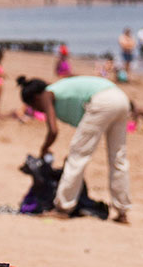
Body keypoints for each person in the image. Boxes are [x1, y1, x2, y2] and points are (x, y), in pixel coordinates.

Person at [21, 74, 135, 224]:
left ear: (35, 99)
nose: (39, 111)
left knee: (77, 156)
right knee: (118, 158)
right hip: (120, 98)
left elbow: (53, 131)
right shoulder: (60, 90)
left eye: (35, 107)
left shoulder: (47, 94)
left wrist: (44, 148)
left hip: (103, 101)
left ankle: (63, 207)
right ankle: (122, 211)